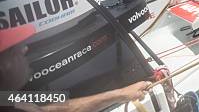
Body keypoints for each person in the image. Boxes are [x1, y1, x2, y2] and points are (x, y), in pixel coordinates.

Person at [0, 25, 151, 112]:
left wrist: (122, 93)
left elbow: (50, 105)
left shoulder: (6, 98)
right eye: (13, 49)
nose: (24, 48)